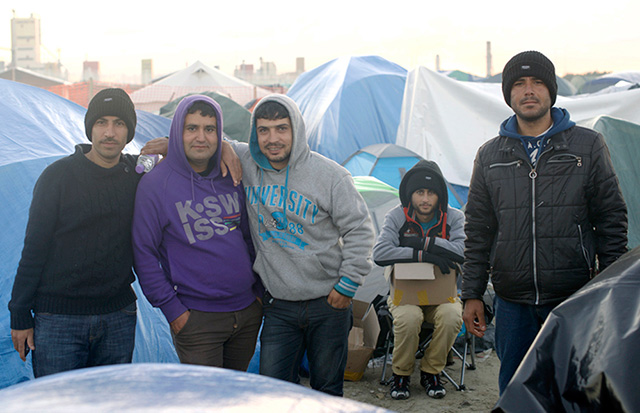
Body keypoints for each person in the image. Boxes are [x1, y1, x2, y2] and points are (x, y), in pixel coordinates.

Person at [461, 50, 628, 394]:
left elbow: (611, 220)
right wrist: (472, 294)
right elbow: (478, 230)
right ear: (509, 94)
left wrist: (611, 293)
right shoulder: (490, 155)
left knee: (571, 393)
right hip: (512, 302)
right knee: (517, 392)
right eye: (519, 84)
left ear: (551, 90)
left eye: (537, 82)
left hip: (573, 299)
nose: (529, 90)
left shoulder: (588, 145)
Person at [223, 94, 374, 396]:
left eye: (281, 128)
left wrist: (347, 286)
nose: (272, 138)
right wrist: (165, 145)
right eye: (263, 130)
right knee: (274, 389)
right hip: (278, 306)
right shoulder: (248, 163)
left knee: (326, 389)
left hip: (328, 304)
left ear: (297, 130)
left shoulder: (331, 176)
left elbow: (361, 230)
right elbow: (206, 143)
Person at [8, 88, 162, 377]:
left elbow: (180, 154)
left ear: (129, 132)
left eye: (119, 123)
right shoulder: (58, 176)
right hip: (58, 319)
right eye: (101, 122)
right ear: (90, 127)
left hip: (117, 316)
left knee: (111, 404)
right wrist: (19, 315)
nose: (109, 132)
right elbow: (34, 249)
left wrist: (169, 141)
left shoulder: (136, 172)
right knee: (58, 405)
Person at [131, 95, 262, 370]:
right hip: (197, 320)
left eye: (209, 129)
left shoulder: (231, 174)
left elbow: (249, 238)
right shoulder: (156, 184)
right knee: (206, 404)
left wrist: (258, 295)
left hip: (247, 312)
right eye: (191, 128)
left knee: (234, 400)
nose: (201, 137)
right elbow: (143, 253)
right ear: (178, 133)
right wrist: (174, 312)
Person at [373, 160, 464, 400]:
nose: (425, 199)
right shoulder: (396, 217)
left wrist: (428, 242)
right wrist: (421, 255)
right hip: (405, 294)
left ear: (439, 196)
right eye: (419, 192)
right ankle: (401, 373)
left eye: (431, 193)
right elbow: (380, 253)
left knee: (452, 315)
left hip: (443, 293)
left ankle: (431, 370)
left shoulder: (453, 218)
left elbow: (464, 250)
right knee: (410, 318)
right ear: (410, 194)